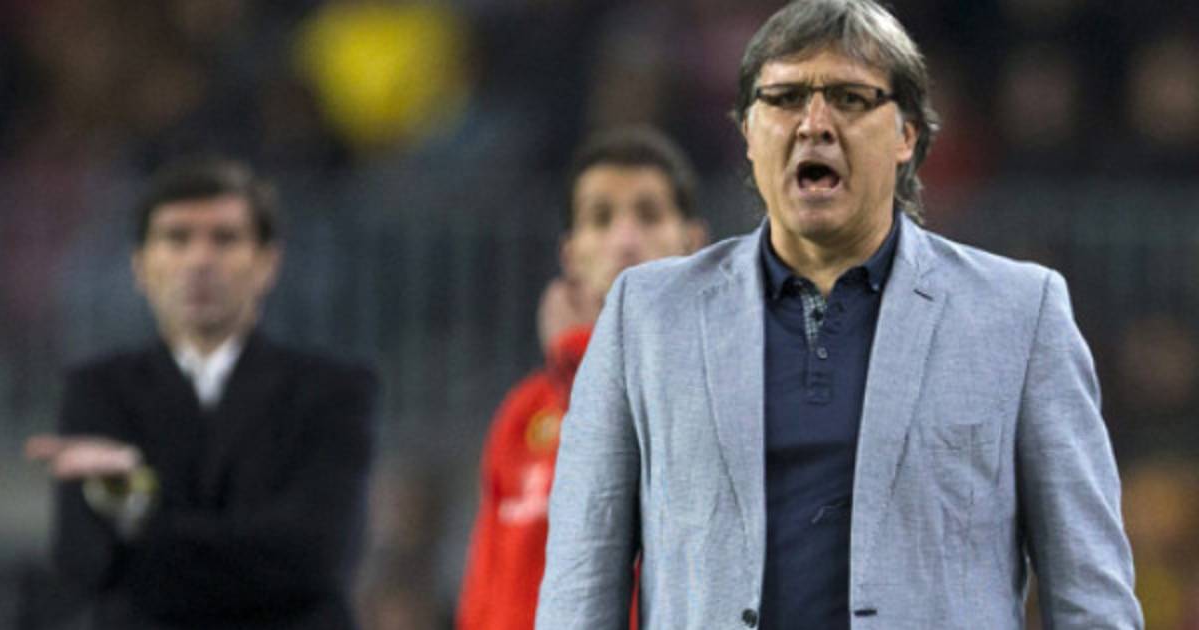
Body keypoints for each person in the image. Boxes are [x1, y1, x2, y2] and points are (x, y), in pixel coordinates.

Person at [536, 2, 1143, 629]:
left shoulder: (1020, 314)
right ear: (748, 133)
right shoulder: (646, 315)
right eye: (785, 98)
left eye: (850, 99)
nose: (814, 124)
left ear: (906, 134)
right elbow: (579, 587)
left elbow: (1092, 598)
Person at [24, 158, 377, 629]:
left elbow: (317, 557)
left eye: (225, 238)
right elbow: (85, 563)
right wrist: (249, 548)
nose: (200, 260)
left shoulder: (334, 389)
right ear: (139, 266)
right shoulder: (96, 391)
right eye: (177, 238)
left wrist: (139, 509)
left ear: (268, 263)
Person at [456, 127, 707, 630]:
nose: (626, 241)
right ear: (570, 254)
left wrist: (578, 357)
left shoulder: (715, 389)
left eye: (649, 215)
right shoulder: (524, 411)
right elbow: (484, 595)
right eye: (601, 218)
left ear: (693, 242)